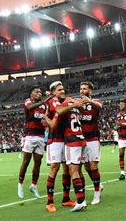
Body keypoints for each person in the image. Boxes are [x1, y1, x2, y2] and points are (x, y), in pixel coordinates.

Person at [47, 91, 88, 212]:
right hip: (79, 139)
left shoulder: (65, 105)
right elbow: (83, 110)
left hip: (71, 141)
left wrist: (45, 117)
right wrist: (77, 104)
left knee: (73, 171)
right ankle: (81, 199)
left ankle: (79, 201)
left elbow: (57, 114)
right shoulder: (73, 107)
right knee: (75, 170)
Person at [42, 81, 75, 213]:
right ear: (53, 92)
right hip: (54, 140)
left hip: (65, 139)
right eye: (59, 89)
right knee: (54, 168)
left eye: (63, 89)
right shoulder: (53, 101)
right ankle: (49, 202)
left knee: (67, 169)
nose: (62, 91)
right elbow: (58, 111)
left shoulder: (62, 101)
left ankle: (66, 198)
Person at [17, 86, 52, 199]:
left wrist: (46, 123)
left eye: (40, 92)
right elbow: (30, 107)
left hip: (41, 136)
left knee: (38, 163)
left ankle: (34, 185)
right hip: (30, 136)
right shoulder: (29, 101)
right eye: (37, 92)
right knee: (26, 161)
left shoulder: (45, 106)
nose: (39, 93)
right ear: (31, 94)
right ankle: (20, 184)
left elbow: (46, 119)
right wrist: (43, 101)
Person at [78, 81, 103, 205]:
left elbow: (100, 107)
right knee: (86, 167)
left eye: (85, 88)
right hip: (81, 139)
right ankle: (99, 184)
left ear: (90, 91)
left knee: (93, 166)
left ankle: (97, 193)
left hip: (93, 138)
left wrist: (89, 101)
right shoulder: (78, 103)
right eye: (81, 89)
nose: (82, 90)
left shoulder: (96, 102)